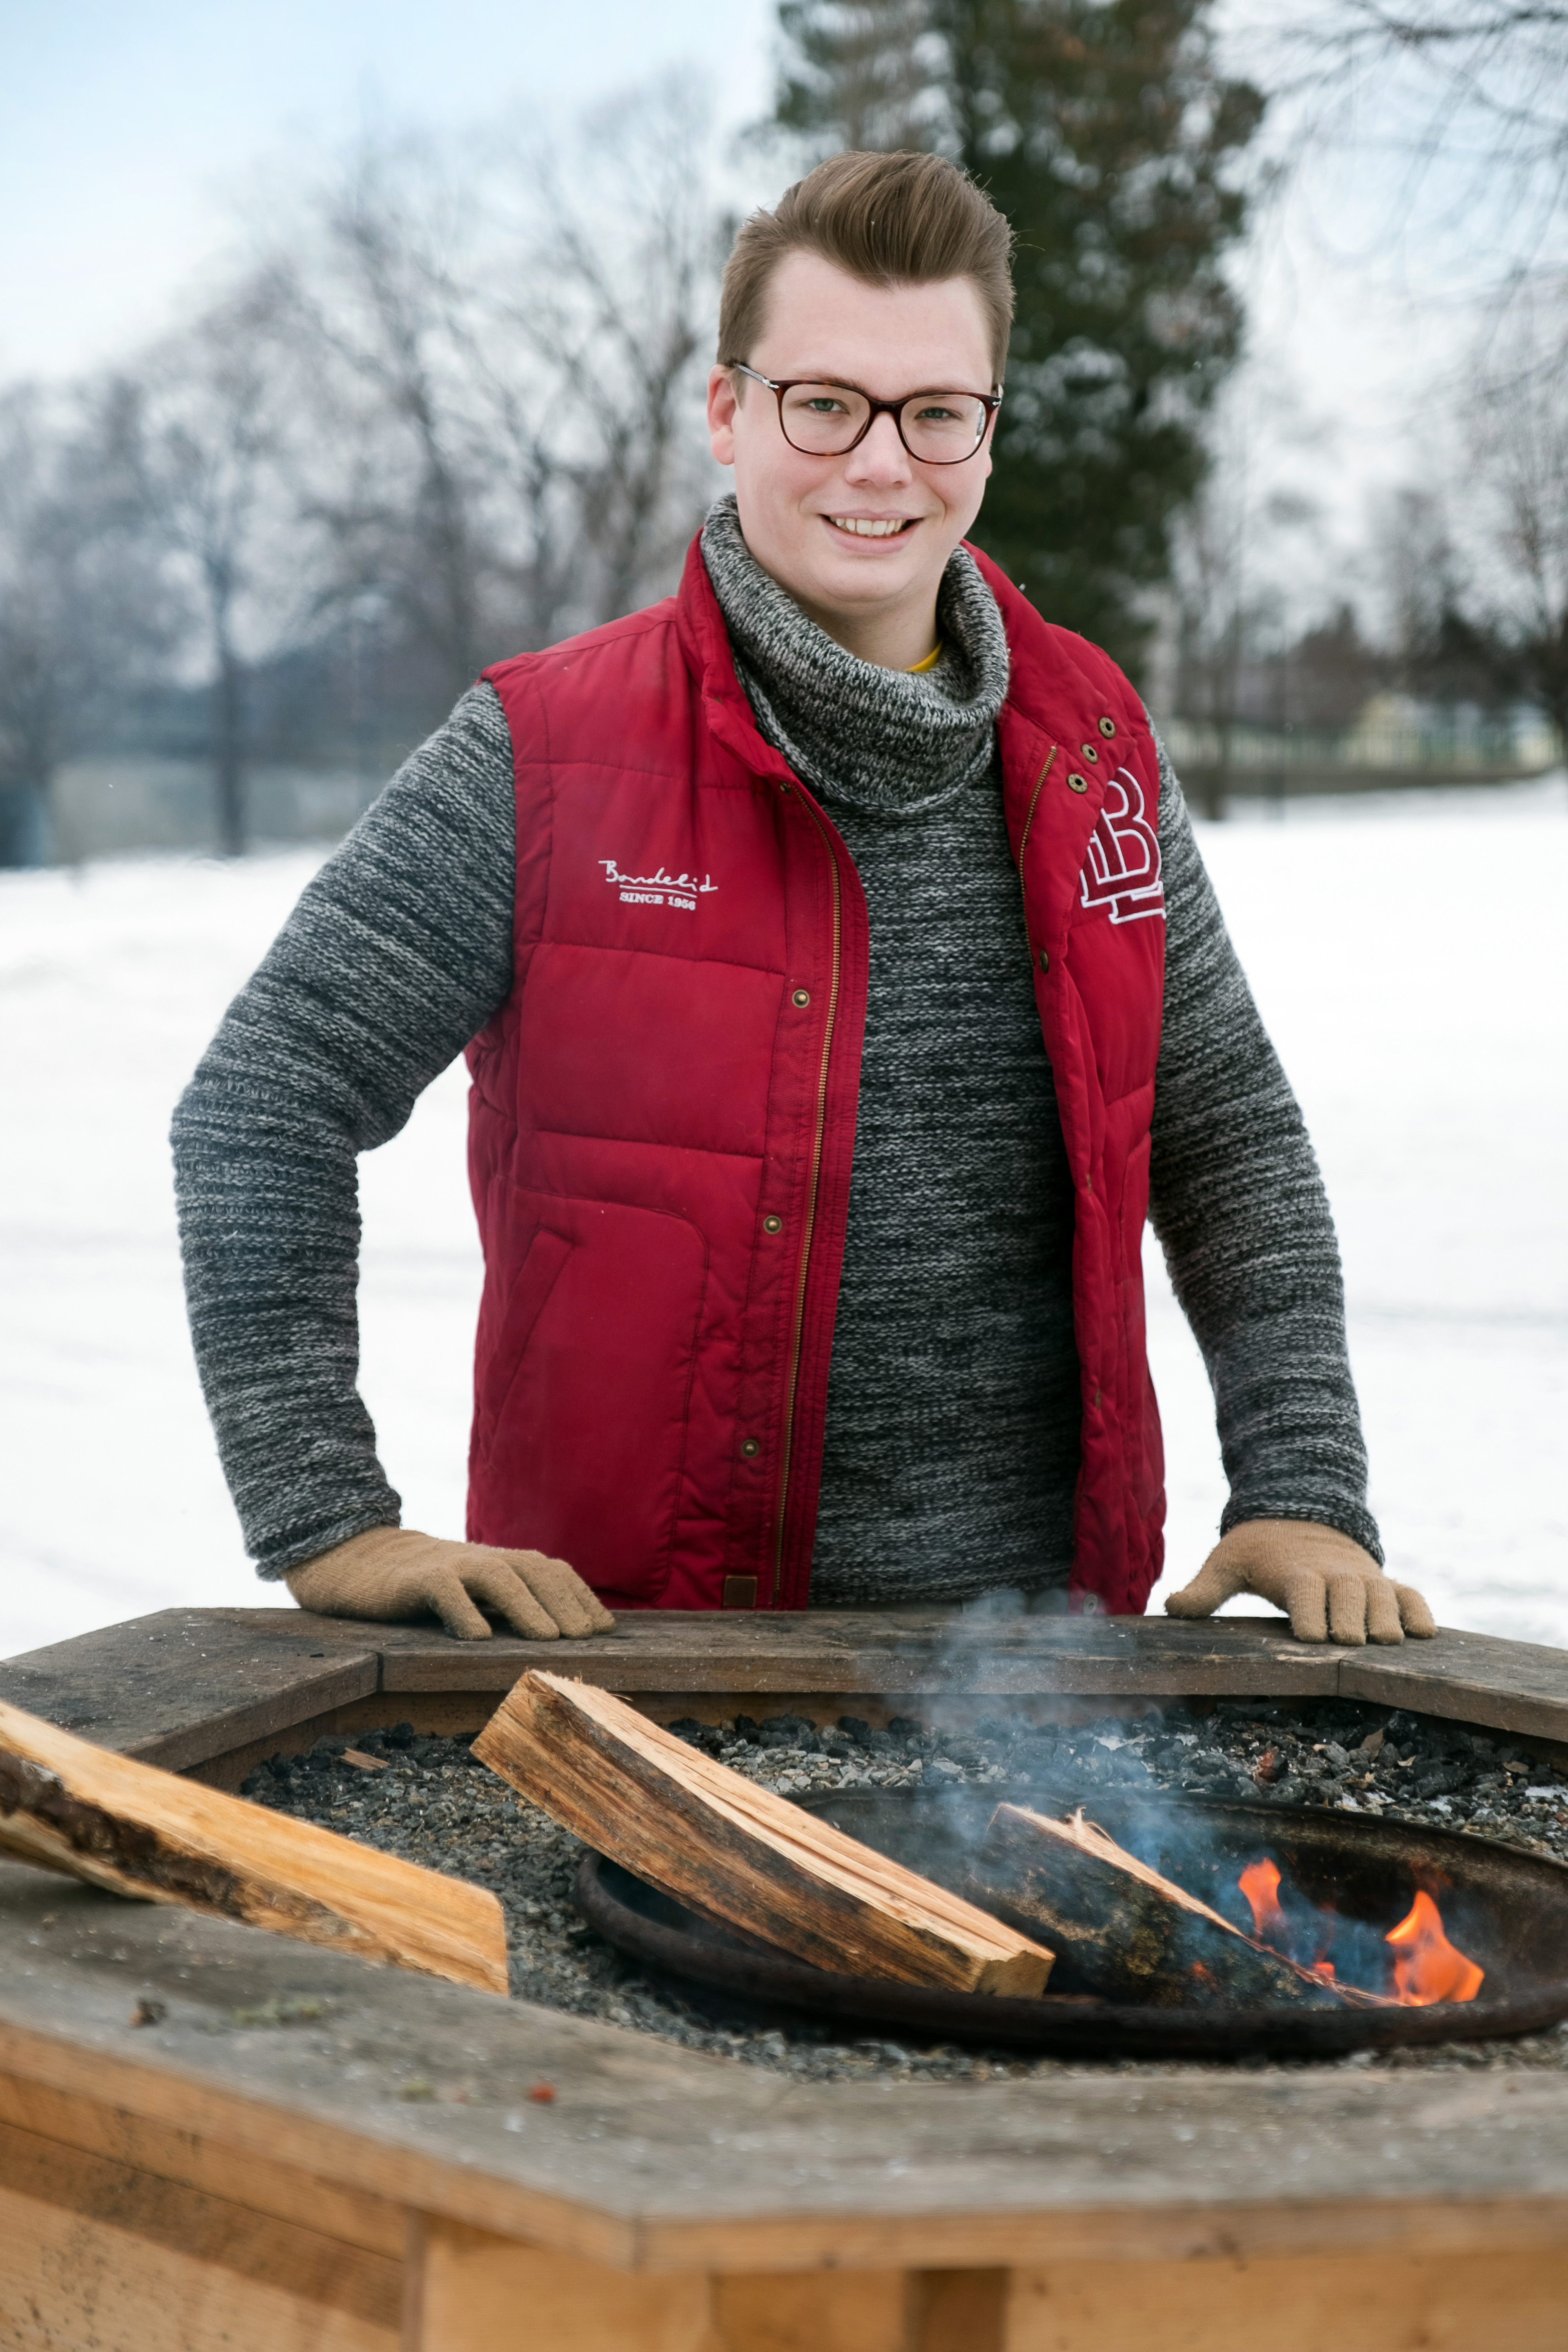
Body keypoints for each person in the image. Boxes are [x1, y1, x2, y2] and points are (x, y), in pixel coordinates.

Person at [172, 150, 1435, 1653]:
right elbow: (265, 1101)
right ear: (729, 412)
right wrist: (328, 1517)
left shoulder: (1092, 744)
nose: (882, 465)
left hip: (1044, 1680)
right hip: (640, 1666)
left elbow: (1229, 1136)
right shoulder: (542, 753)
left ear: (989, 428)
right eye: (824, 404)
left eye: (937, 412)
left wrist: (1304, 1490)